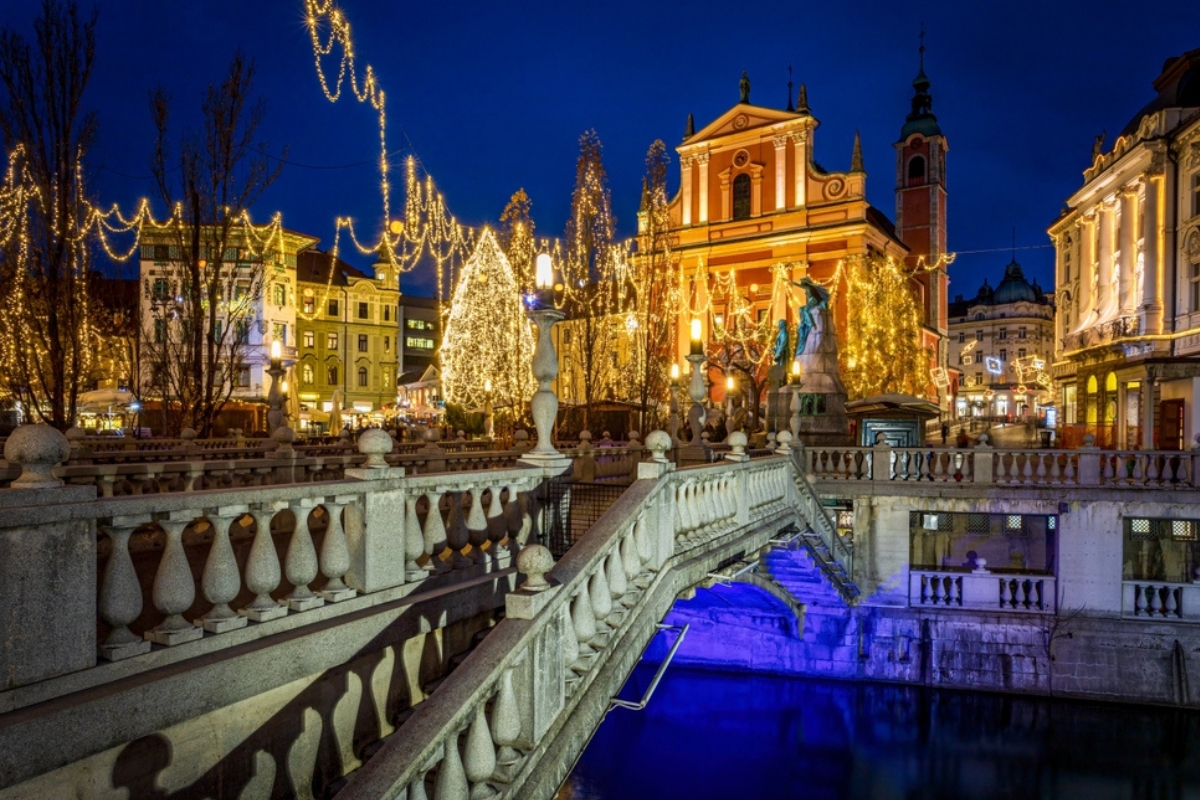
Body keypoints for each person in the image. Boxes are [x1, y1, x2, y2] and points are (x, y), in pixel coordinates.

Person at [789, 275, 831, 358]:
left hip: (813, 300)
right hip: (812, 300)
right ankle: (804, 321)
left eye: (803, 283)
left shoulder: (809, 288)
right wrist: (791, 282)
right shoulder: (809, 288)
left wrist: (792, 283)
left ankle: (811, 324)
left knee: (806, 310)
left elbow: (800, 286)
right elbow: (800, 286)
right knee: (801, 309)